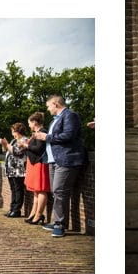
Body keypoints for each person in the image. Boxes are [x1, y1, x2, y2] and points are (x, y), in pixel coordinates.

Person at [33, 95, 87, 238]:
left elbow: (68, 135)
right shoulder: (54, 121)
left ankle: (60, 225)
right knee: (57, 192)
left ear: (55, 104)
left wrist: (46, 137)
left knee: (60, 191)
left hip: (66, 159)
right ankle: (58, 221)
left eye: (48, 106)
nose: (48, 109)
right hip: (53, 161)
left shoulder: (70, 116)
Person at [24, 112, 50, 225]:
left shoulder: (43, 132)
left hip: (40, 163)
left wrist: (26, 145)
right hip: (33, 163)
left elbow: (38, 149)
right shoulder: (35, 133)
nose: (29, 126)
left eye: (29, 123)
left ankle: (39, 214)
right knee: (36, 190)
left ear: (34, 122)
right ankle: (33, 213)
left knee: (41, 189)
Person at [0, 122, 29, 218]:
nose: (12, 133)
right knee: (13, 189)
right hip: (11, 170)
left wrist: (6, 144)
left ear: (17, 131)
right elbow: (6, 151)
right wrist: (4, 144)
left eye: (13, 131)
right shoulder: (13, 141)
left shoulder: (24, 140)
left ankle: (17, 210)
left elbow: (17, 152)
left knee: (18, 189)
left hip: (18, 170)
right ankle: (12, 208)